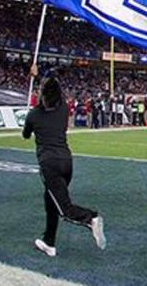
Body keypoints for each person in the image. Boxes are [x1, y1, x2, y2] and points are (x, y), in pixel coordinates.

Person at [22, 65, 106, 257]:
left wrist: (35, 83)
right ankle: (48, 242)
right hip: (67, 162)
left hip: (49, 164)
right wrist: (41, 79)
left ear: (42, 94)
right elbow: (54, 89)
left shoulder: (34, 114)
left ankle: (90, 217)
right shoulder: (63, 109)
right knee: (50, 201)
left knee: (64, 208)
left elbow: (26, 135)